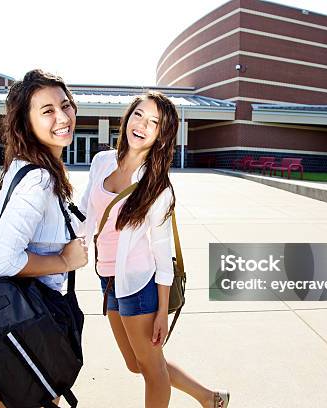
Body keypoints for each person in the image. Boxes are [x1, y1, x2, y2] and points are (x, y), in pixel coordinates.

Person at [79, 91, 230, 408]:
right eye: (139, 115)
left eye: (154, 122)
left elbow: (164, 258)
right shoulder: (102, 161)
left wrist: (162, 312)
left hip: (139, 284)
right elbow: (84, 214)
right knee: (137, 363)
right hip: (107, 280)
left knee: (151, 369)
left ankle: (209, 398)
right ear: (128, 118)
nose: (142, 125)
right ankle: (209, 397)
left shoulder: (157, 186)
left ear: (162, 134)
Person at [0, 69, 88, 408]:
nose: (63, 117)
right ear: (26, 122)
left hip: (19, 320)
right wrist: (64, 261)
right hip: (32, 321)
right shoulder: (38, 180)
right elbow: (2, 261)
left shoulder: (25, 167)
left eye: (66, 105)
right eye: (47, 111)